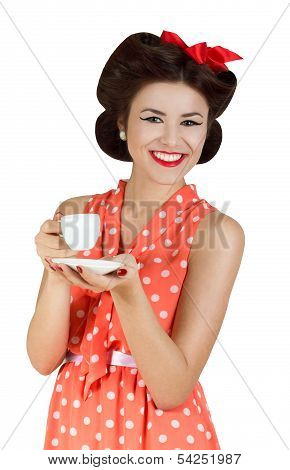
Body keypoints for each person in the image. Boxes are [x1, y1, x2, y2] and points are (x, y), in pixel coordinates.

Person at [27, 30, 245, 450]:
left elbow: (173, 389)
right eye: (152, 118)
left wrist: (128, 291)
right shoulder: (78, 213)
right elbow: (42, 360)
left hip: (163, 437)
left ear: (205, 133)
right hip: (75, 427)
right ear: (122, 124)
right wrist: (56, 274)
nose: (170, 139)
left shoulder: (216, 233)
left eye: (189, 122)